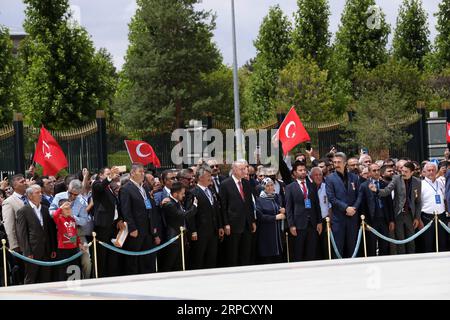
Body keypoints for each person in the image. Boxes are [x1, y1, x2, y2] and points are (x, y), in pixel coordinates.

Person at [369, 161, 421, 254]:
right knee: (400, 240)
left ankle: (412, 259)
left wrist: (417, 217)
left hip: (410, 214)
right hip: (398, 214)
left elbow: (418, 201)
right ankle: (402, 260)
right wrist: (376, 190)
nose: (403, 173)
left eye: (406, 172)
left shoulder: (417, 182)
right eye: (402, 171)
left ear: (412, 172)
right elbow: (387, 191)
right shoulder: (397, 179)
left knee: (411, 239)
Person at [121, 163, 159, 275]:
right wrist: (132, 228)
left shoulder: (145, 187)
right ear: (132, 173)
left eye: (143, 172)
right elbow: (126, 211)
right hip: (136, 229)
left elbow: (150, 207)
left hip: (148, 228)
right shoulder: (126, 189)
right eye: (140, 172)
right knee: (134, 259)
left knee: (147, 258)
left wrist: (153, 228)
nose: (143, 174)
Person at [16, 185, 56, 284]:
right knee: (31, 277)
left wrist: (53, 248)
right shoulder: (23, 211)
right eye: (37, 193)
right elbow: (22, 234)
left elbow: (50, 231)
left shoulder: (45, 209)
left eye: (40, 192)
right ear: (30, 196)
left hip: (46, 250)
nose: (40, 194)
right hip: (32, 251)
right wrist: (27, 252)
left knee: (46, 277)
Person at [220, 160, 256, 267]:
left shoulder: (246, 183)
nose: (245, 171)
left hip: (247, 224)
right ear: (234, 170)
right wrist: (226, 223)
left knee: (246, 253)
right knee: (233, 254)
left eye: (245, 168)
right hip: (233, 224)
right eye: (242, 169)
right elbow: (223, 206)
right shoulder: (225, 184)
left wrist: (252, 221)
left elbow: (249, 205)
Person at [92, 166, 125, 277]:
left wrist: (119, 219)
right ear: (101, 175)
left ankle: (112, 275)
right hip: (103, 225)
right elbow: (100, 187)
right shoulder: (96, 184)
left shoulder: (110, 187)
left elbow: (116, 206)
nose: (110, 175)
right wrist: (110, 177)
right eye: (107, 174)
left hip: (112, 225)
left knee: (113, 253)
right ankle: (100, 276)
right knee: (102, 254)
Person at [326, 152, 360, 258]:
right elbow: (331, 198)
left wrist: (354, 208)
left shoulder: (354, 177)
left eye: (339, 162)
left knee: (353, 248)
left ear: (345, 163)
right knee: (338, 249)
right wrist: (346, 208)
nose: (336, 164)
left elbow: (359, 195)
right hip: (338, 219)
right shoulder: (330, 178)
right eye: (334, 162)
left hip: (352, 218)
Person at [286, 161, 322, 261]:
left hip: (312, 223)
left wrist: (319, 221)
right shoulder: (290, 188)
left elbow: (316, 205)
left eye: (304, 170)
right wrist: (291, 225)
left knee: (311, 251)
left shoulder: (312, 185)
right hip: (299, 224)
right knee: (298, 251)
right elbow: (289, 208)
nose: (303, 172)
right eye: (300, 170)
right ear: (294, 173)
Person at [189, 164, 223, 270]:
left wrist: (220, 226)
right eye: (208, 175)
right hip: (200, 232)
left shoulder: (211, 191)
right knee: (199, 258)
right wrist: (193, 231)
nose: (210, 177)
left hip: (213, 231)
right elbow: (191, 215)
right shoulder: (193, 192)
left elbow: (217, 211)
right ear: (200, 177)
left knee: (211, 258)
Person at [356, 164, 394, 256]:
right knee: (371, 246)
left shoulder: (385, 185)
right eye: (374, 170)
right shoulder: (364, 186)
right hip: (371, 220)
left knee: (384, 246)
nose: (376, 172)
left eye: (378, 170)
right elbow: (362, 204)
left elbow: (390, 204)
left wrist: (391, 220)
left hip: (384, 219)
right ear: (369, 173)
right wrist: (364, 221)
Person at [160, 182, 197, 272]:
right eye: (182, 193)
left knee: (179, 263)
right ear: (175, 194)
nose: (184, 195)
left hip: (181, 237)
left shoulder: (177, 202)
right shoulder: (169, 204)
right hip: (173, 238)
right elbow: (183, 215)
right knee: (170, 263)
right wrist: (194, 206)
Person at [2, 174, 28, 284]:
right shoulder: (9, 202)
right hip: (20, 246)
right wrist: (14, 245)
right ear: (14, 185)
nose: (24, 182)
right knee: (23, 274)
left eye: (24, 180)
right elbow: (9, 225)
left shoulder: (30, 197)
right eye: (21, 181)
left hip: (33, 243)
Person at [53, 200, 85, 281]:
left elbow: (74, 233)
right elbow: (55, 215)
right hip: (63, 248)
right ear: (61, 210)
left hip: (73, 248)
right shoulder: (59, 219)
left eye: (69, 208)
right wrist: (61, 207)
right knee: (64, 270)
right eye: (66, 209)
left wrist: (79, 244)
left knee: (75, 268)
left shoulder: (72, 219)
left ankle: (76, 285)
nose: (68, 210)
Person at [255, 178, 285, 264]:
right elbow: (260, 217)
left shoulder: (277, 197)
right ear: (263, 187)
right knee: (268, 259)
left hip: (277, 234)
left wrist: (283, 210)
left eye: (271, 185)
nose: (270, 187)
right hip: (266, 234)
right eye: (267, 186)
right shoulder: (260, 200)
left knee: (278, 259)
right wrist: (275, 217)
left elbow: (279, 209)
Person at [420, 162, 447, 252]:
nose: (431, 172)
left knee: (442, 242)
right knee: (428, 243)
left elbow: (444, 199)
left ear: (436, 171)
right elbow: (417, 203)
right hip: (427, 217)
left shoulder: (440, 183)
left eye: (433, 170)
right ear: (424, 172)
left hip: (441, 216)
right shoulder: (421, 184)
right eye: (429, 170)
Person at [310, 167, 332, 259]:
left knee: (326, 247)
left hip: (325, 220)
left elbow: (330, 205)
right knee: (314, 248)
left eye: (320, 175)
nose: (318, 177)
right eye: (316, 175)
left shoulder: (327, 187)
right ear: (311, 177)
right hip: (312, 222)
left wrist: (329, 223)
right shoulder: (308, 188)